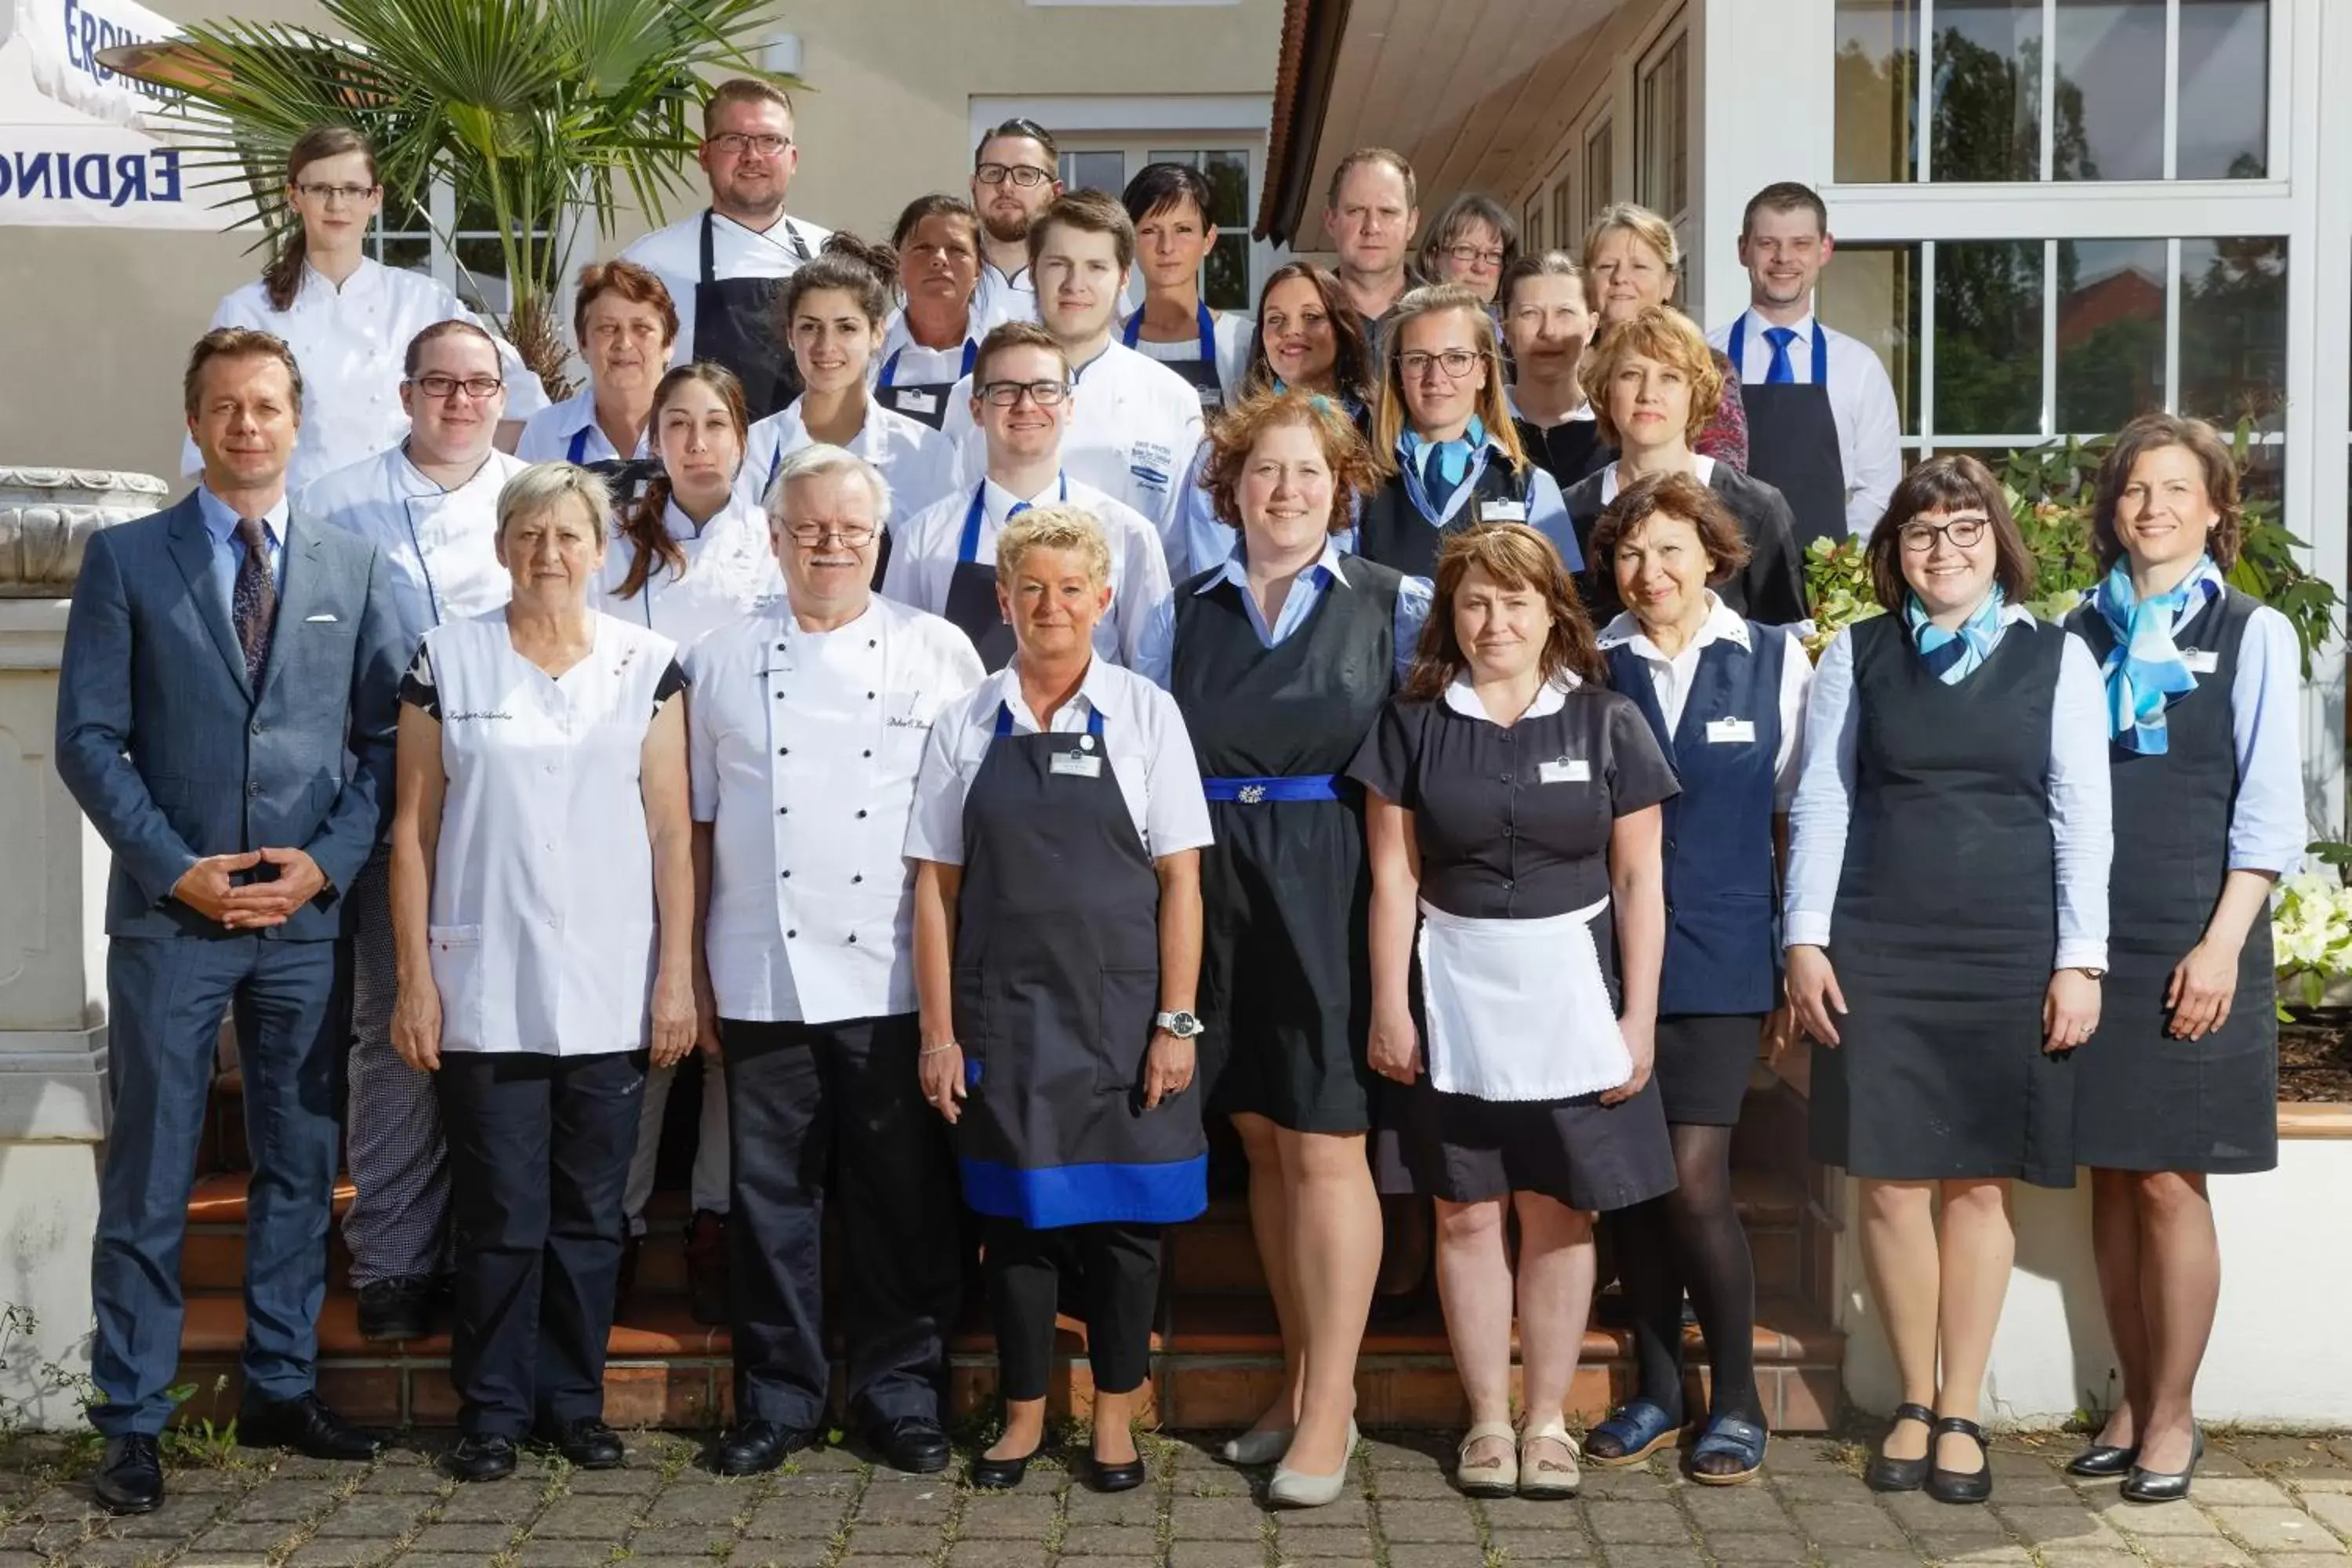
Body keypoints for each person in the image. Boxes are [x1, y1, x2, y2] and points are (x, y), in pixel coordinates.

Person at [58, 327, 403, 1514]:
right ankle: (134, 1419)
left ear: (298, 422)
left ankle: (281, 1383)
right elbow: (89, 742)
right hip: (174, 921)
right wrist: (173, 869)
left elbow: (385, 745)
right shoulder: (125, 561)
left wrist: (323, 867)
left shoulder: (356, 572)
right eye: (225, 407)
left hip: (304, 918)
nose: (248, 425)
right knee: (150, 1173)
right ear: (195, 423)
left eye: (267, 405)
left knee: (302, 1163)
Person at [1784, 456, 2111, 1507]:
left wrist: (2080, 959)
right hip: (1878, 949)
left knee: (1979, 1183)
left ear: (1998, 542)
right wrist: (1804, 940)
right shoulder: (1861, 654)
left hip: (2009, 953)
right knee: (1889, 1183)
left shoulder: (2057, 660)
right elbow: (1824, 806)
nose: (1945, 549)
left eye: (1966, 529)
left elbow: (2082, 818)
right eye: (1924, 532)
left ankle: (1962, 1407)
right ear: (1897, 552)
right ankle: (1914, 1404)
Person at [1135, 390, 1427, 1508]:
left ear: (1341, 487)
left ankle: (1334, 1406)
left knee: (1327, 1141)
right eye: (1265, 472)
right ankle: (1301, 1383)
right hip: (1216, 882)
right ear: (1232, 489)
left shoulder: (1390, 605)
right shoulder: (1183, 609)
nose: (1287, 491)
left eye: (1309, 472)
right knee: (1259, 1134)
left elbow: (1416, 762)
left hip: (1331, 877)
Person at [1352, 522, 1679, 1504]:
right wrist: (1388, 1008)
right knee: (1464, 1213)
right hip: (1450, 991)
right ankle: (1488, 1420)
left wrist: (1641, 1019)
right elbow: (1392, 877)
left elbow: (1641, 878)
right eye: (1475, 603)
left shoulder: (1607, 719)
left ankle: (1547, 1420)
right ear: (1450, 616)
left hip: (1576, 995)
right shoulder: (1411, 722)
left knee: (1559, 1211)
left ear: (1552, 612)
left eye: (1517, 601)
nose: (1495, 622)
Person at [387, 461, 696, 1482]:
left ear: (600, 552)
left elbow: (669, 836)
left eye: (569, 536)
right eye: (530, 535)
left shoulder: (647, 663)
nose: (549, 554)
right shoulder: (449, 659)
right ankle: (491, 1408)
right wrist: (416, 980)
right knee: (500, 1214)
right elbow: (414, 832)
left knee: (590, 1214)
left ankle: (572, 1400)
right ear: (501, 546)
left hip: (611, 986)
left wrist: (675, 979)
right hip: (483, 985)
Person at [906, 506, 1214, 1494]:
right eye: (1031, 588)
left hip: (1126, 1022)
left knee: (1127, 1231)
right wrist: (940, 1033)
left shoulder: (1146, 714)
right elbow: (935, 888)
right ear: (1002, 599)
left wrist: (1176, 1021)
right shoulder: (964, 721)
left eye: (1072, 588)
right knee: (1020, 1226)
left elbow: (1182, 881)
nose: (1051, 605)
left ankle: (1116, 1418)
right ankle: (1026, 1413)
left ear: (1104, 600)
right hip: (1008, 1016)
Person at [690, 445, 983, 1479]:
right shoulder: (721, 660)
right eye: (808, 528)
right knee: (772, 1200)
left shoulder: (940, 654)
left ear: (878, 540)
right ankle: (779, 1399)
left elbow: (960, 837)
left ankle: (901, 1395)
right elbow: (694, 830)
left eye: (850, 530)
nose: (829, 545)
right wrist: (691, 973)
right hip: (761, 964)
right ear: (773, 539)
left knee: (899, 1197)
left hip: (898, 972)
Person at [2060, 415, 2303, 1503]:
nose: (2152, 508)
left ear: (2214, 508)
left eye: (2175, 489)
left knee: (2168, 1177)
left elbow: (2267, 815)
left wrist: (2219, 946)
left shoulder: (2255, 633)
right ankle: (2131, 1392)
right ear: (2114, 513)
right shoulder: (2077, 632)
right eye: (2134, 491)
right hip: (2094, 943)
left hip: (2197, 939)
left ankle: (2173, 1416)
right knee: (2108, 1176)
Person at [296, 321, 532, 1342]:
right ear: (406, 394)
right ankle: (392, 1260)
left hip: (520, 800)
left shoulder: (542, 498)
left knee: (496, 1036)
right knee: (391, 1027)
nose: (460, 402)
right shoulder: (333, 502)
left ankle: (486, 1259)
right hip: (386, 789)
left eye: (478, 385)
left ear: (501, 396)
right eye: (440, 383)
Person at [1585, 471, 1814, 1486]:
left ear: (1713, 554)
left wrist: (1795, 950)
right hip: (1604, 964)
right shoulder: (1592, 665)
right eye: (1632, 555)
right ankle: (1653, 1390)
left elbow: (1799, 816)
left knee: (1692, 1179)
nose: (1651, 572)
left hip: (1724, 957)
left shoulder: (1774, 659)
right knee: (1630, 1188)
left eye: (1670, 550)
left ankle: (1736, 1398)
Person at [601, 362, 783, 1320]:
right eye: (679, 423)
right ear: (656, 440)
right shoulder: (616, 548)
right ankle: (620, 1223)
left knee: (731, 1031)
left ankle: (716, 1214)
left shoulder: (776, 542)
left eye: (716, 422)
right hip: (640, 818)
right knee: (653, 1022)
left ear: (744, 436)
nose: (699, 441)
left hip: (751, 813)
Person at [191, 125, 548, 492]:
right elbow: (213, 448)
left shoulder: (423, 300)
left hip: (401, 521)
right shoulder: (247, 311)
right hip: (296, 524)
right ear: (293, 196)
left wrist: (466, 487)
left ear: (375, 198)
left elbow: (520, 398)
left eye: (352, 189)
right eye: (319, 189)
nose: (336, 205)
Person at [942, 191, 1206, 569]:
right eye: (1058, 264)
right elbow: (947, 530)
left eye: (1096, 266)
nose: (1074, 284)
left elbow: (1186, 553)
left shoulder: (1173, 399)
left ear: (1124, 277)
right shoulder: (972, 394)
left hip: (1131, 618)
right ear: (1033, 270)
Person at [890, 321, 1170, 670]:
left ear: (1069, 406)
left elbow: (1154, 679)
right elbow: (899, 672)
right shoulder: (921, 540)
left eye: (1045, 389)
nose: (1026, 405)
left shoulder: (1128, 535)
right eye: (1005, 390)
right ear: (976, 410)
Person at [1563, 306, 1806, 626]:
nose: (1648, 394)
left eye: (1670, 377)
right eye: (1631, 375)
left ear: (1697, 394)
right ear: (1606, 390)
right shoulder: (1566, 513)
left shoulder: (1758, 509)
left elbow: (1787, 644)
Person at [621, 79, 833, 420]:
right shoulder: (649, 264)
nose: (752, 156)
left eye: (770, 141)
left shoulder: (831, 257)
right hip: (695, 463)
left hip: (814, 464)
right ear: (704, 156)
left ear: (792, 159)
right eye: (734, 140)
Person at [1708, 182, 1903, 548]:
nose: (1784, 258)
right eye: (1768, 244)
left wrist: (1837, 569)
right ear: (1743, 249)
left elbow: (1878, 490)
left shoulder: (1859, 367)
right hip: (1720, 573)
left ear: (1824, 249)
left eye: (1801, 244)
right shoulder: (1702, 358)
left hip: (1823, 582)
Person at [1352, 283, 1580, 580]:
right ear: (1397, 372)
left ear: (1484, 371)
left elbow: (1563, 612)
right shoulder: (1359, 489)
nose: (1436, 377)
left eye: (1456, 358)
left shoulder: (1531, 487)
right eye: (1419, 359)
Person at [739, 236, 961, 536]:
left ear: (878, 332)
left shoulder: (929, 455)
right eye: (810, 327)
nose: (826, 345)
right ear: (790, 335)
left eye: (846, 328)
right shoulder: (752, 451)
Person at [1174, 263, 1379, 579]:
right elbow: (1216, 571)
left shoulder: (1381, 429)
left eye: (1312, 317)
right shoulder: (1226, 446)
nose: (1291, 331)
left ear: (1342, 327)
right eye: (1276, 320)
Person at [1586, 202, 1744, 472]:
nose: (1620, 277)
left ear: (1669, 283)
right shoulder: (1567, 368)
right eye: (1606, 266)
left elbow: (1723, 480)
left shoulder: (1709, 367)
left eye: (1639, 266)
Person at [1118, 162, 1254, 408]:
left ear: (1208, 240)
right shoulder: (1109, 342)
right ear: (1129, 241)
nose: (1167, 247)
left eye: (1183, 229)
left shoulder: (1242, 343)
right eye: (1150, 230)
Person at [515, 261, 675, 466]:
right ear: (583, 343)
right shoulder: (545, 433)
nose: (624, 344)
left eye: (641, 328)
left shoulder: (699, 431)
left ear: (669, 344)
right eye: (608, 328)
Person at [876, 194, 985, 428]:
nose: (939, 259)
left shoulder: (1000, 356)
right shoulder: (868, 354)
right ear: (897, 262)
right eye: (923, 248)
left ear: (979, 268)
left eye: (957, 249)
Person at [1502, 252, 1607, 492]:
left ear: (1591, 327)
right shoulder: (1477, 431)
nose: (1548, 331)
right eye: (1529, 313)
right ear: (1505, 329)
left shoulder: (1618, 434)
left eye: (1565, 313)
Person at [1322, 147, 1421, 350]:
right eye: (1356, 211)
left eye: (1387, 212)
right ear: (1331, 220)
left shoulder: (1452, 319)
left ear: (1412, 222)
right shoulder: (1297, 322)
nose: (1372, 227)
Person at [969, 118, 1062, 332]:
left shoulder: (1082, 283)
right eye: (993, 172)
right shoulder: (942, 281)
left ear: (1056, 193)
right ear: (973, 187)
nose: (1006, 187)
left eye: (1025, 174)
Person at [1416, 193, 1519, 307]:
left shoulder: (1516, 323)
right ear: (1433, 258)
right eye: (1465, 250)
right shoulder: (1405, 323)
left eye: (1494, 255)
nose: (1480, 268)